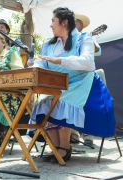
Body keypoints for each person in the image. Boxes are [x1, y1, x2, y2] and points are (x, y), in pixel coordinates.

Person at [28, 7, 115, 163]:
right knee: (43, 103)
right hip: (57, 84)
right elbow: (41, 63)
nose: (50, 25)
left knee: (61, 101)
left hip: (80, 82)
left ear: (64, 22)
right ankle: (55, 147)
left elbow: (88, 62)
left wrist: (60, 60)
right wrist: (34, 68)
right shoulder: (48, 44)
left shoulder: (84, 38)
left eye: (53, 21)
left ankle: (64, 147)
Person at [71, 13, 102, 146]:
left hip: (85, 77)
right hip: (71, 77)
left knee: (87, 100)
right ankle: (72, 133)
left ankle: (88, 134)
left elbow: (98, 51)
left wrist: (89, 38)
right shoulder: (64, 39)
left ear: (80, 25)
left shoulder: (86, 36)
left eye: (74, 22)